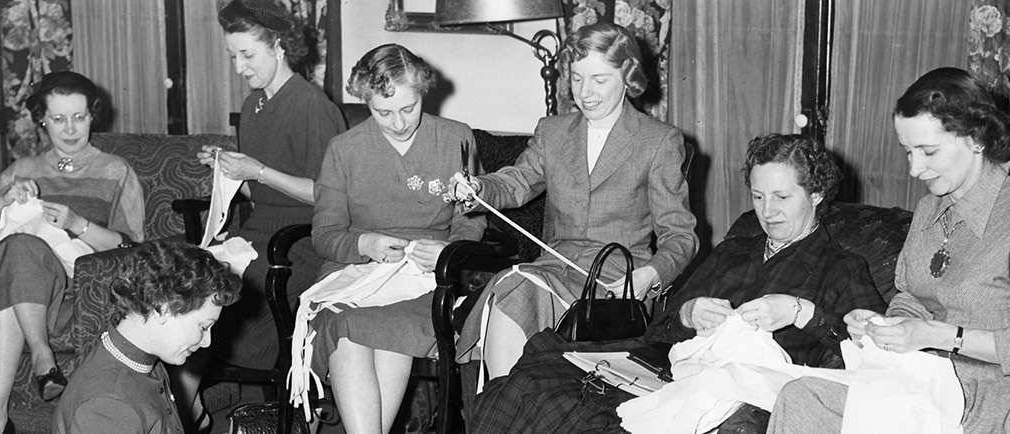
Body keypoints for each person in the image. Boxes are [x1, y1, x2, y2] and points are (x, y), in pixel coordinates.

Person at [467, 133, 888, 433]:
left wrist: (801, 313)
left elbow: (873, 357)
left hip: (722, 392)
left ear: (815, 195)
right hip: (662, 372)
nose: (768, 211)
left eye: (782, 198)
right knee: (527, 382)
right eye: (758, 197)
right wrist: (688, 312)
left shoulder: (842, 267)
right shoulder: (734, 251)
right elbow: (660, 323)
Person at [447, 23, 699, 378]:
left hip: (615, 283)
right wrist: (478, 188)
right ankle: (505, 405)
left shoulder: (658, 141)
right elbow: (516, 181)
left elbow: (680, 235)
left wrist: (650, 275)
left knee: (513, 288)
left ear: (627, 77)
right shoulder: (553, 131)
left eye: (599, 79)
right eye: (577, 78)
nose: (585, 92)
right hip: (554, 268)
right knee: (511, 286)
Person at [767, 68, 1010, 434]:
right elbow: (911, 295)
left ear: (976, 138)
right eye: (908, 152)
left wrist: (941, 336)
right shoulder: (930, 209)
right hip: (923, 381)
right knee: (802, 398)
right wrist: (884, 324)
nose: (914, 169)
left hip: (987, 397)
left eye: (928, 151)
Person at [303, 43, 487, 434]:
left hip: (429, 275)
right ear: (364, 101)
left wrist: (447, 251)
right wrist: (363, 244)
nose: (400, 123)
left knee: (380, 327)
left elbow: (471, 219)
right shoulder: (344, 150)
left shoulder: (456, 138)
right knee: (345, 326)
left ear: (424, 93)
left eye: (409, 108)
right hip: (357, 273)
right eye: (382, 113)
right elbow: (325, 234)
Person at [183, 0, 345, 429]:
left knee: (218, 296)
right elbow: (262, 190)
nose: (239, 67)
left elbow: (329, 195)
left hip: (303, 241)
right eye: (232, 56)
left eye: (247, 55)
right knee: (187, 281)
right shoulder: (253, 107)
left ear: (279, 46)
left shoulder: (312, 105)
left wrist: (255, 169)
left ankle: (217, 407)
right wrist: (227, 169)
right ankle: (191, 405)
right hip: (258, 233)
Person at [0, 70, 145, 434]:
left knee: (17, 256)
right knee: (16, 252)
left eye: (79, 117)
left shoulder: (115, 171)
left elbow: (132, 247)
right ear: (42, 119)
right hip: (20, 284)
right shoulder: (24, 170)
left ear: (93, 115)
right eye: (58, 119)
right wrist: (2, 200)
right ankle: (39, 365)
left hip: (76, 293)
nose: (70, 129)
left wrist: (77, 223)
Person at [52, 241, 242, 433]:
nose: (206, 341)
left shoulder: (144, 360)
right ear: (163, 309)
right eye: (203, 327)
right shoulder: (108, 406)